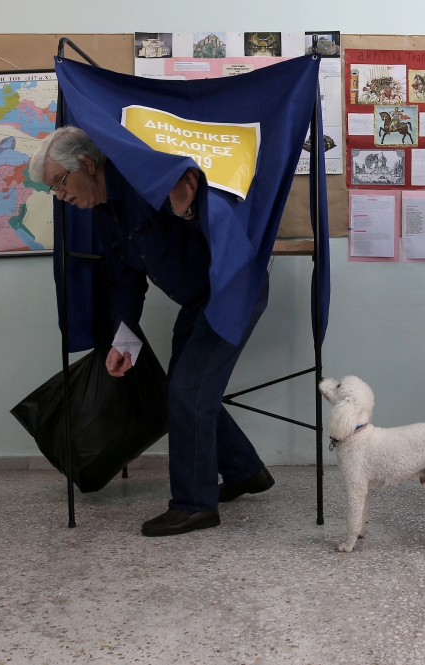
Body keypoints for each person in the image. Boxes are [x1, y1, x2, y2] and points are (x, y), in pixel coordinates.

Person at [28, 126, 275, 537]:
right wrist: (123, 342)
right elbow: (125, 281)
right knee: (181, 388)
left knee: (189, 391)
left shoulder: (147, 181)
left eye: (59, 182)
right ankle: (245, 471)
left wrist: (188, 212)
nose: (60, 195)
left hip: (232, 289)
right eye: (52, 188)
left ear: (86, 164)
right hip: (199, 298)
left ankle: (195, 505)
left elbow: (216, 220)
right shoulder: (105, 213)